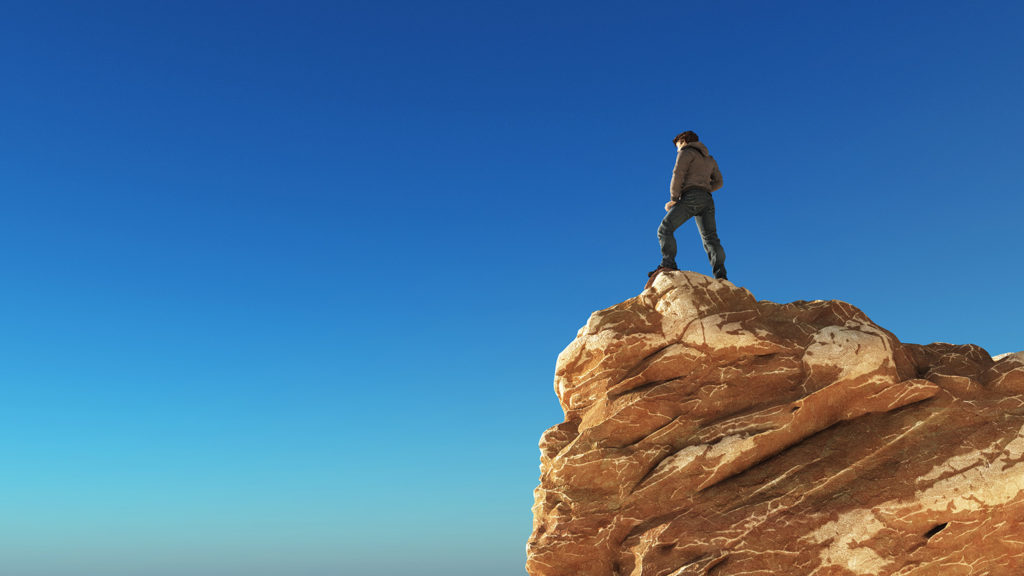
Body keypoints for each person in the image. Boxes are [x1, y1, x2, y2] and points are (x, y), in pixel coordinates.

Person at [649, 130, 728, 281]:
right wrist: (704, 188)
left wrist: (674, 198)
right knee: (711, 239)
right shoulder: (709, 159)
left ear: (684, 141)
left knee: (665, 229)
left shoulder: (686, 153)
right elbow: (719, 182)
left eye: (678, 145)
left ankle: (668, 264)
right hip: (707, 199)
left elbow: (677, 174)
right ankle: (721, 276)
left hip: (691, 196)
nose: (677, 148)